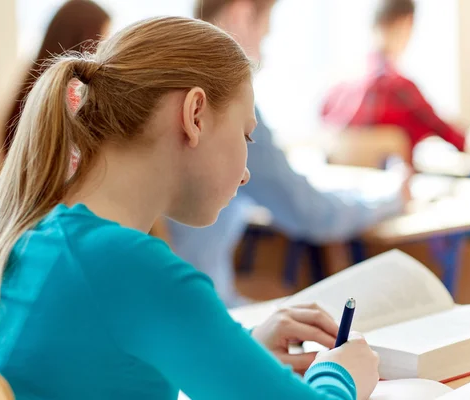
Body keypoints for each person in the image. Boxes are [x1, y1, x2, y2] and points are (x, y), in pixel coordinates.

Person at [0, 16, 379, 400]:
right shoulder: (133, 267)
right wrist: (341, 375)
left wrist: (239, 356)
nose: (246, 170)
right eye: (246, 135)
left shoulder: (31, 238)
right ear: (194, 115)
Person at [168, 0, 409, 307]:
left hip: (164, 308)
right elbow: (310, 212)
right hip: (200, 309)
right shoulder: (222, 105)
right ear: (241, 14)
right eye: (266, 30)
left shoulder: (165, 87)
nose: (265, 46)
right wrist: (393, 196)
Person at [321, 0, 466, 157]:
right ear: (405, 23)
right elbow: (450, 136)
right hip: (395, 177)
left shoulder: (339, 87)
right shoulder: (399, 88)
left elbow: (323, 124)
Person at [2, 0, 111, 155]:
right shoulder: (74, 101)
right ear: (85, 40)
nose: (102, 50)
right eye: (102, 39)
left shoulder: (30, 89)